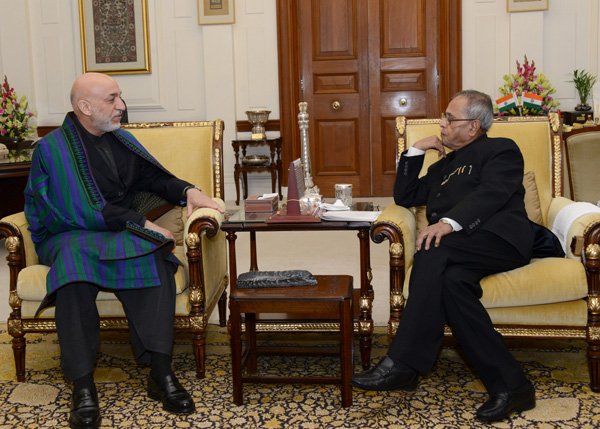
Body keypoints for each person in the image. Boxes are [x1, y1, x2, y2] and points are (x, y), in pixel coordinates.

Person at [24, 72, 224, 429]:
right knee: (72, 276)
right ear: (84, 107)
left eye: (120, 97)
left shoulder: (121, 140)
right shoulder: (52, 148)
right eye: (112, 99)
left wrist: (189, 190)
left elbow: (154, 179)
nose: (122, 106)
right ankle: (82, 386)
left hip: (118, 229)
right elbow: (74, 207)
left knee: (158, 258)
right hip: (70, 233)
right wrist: (140, 223)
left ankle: (160, 372)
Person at [351, 90, 537, 422]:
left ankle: (404, 364)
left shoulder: (501, 149)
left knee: (432, 246)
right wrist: (414, 150)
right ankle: (512, 386)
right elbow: (406, 195)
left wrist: (448, 224)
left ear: (474, 126)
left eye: (450, 118)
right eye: (444, 117)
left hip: (500, 240)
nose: (443, 123)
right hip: (462, 251)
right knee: (451, 285)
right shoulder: (443, 166)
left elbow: (491, 193)